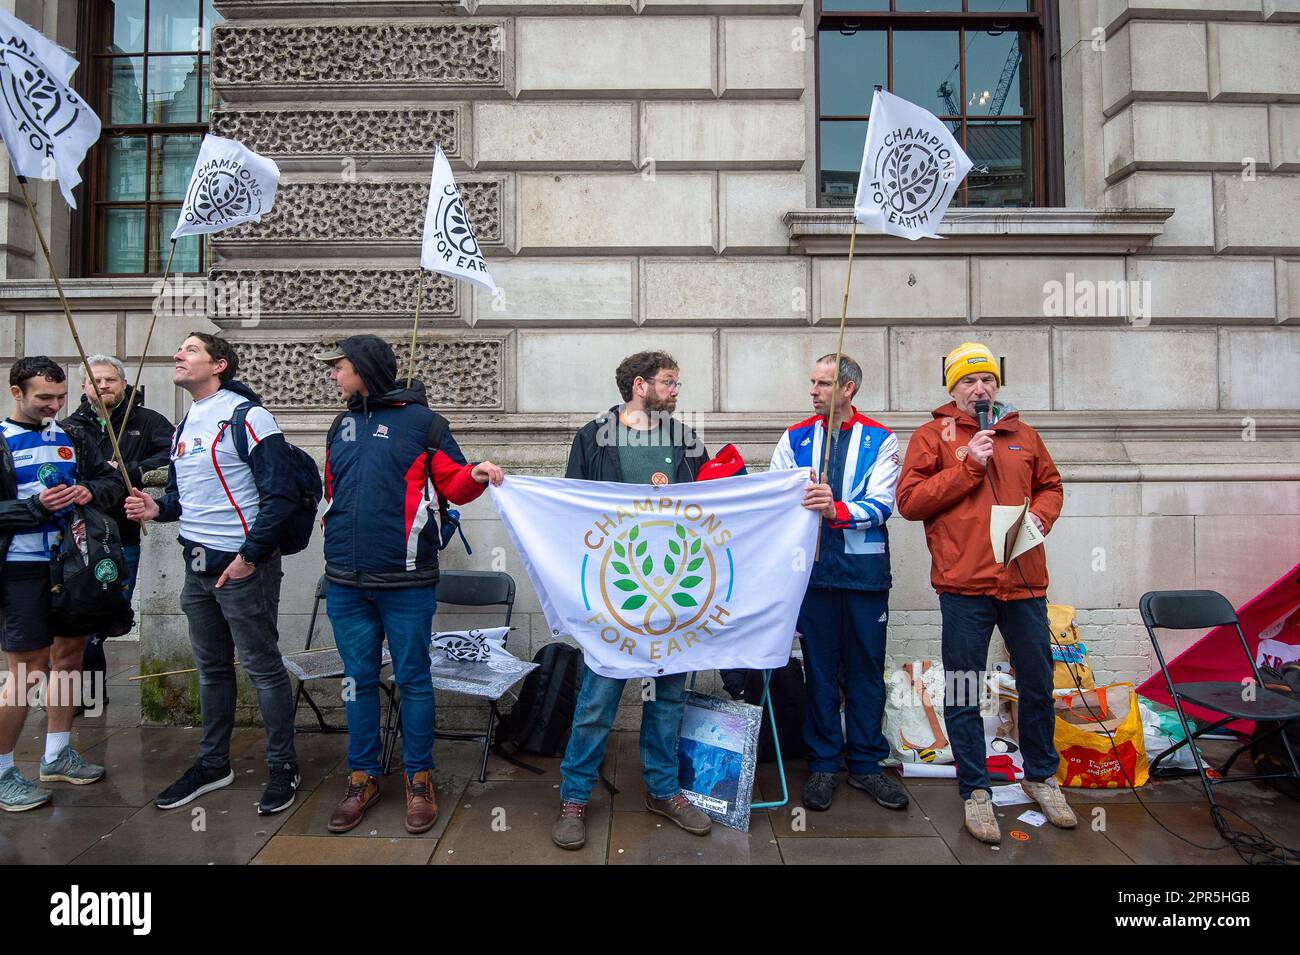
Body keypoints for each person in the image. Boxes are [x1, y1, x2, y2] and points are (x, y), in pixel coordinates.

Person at [316, 336, 504, 835]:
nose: (332, 376)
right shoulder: (341, 423)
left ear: (365, 369)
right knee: (356, 681)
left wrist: (479, 473)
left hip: (406, 582)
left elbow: (456, 484)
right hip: (345, 582)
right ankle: (363, 777)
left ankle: (420, 778)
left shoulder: (425, 424)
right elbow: (333, 490)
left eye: (339, 368)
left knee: (414, 680)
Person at [896, 341, 1074, 844]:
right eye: (970, 381)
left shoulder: (1023, 434)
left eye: (988, 379)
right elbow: (909, 501)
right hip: (964, 585)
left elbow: (1052, 485)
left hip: (1022, 582)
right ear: (952, 388)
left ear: (998, 385)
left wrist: (1040, 514)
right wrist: (968, 465)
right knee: (964, 688)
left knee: (1037, 683)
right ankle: (976, 790)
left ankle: (1042, 777)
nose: (980, 388)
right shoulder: (933, 437)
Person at [124, 333, 301, 816]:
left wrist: (250, 557)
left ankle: (284, 766)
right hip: (196, 566)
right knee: (213, 669)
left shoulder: (248, 416)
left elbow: (280, 495)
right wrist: (155, 508)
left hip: (243, 567)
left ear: (219, 364)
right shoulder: (184, 425)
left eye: (191, 350)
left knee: (264, 669)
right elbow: (184, 501)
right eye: (179, 351)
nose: (178, 356)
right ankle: (213, 764)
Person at [553, 350, 714, 850]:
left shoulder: (685, 439)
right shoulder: (593, 437)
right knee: (597, 699)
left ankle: (663, 790)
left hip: (675, 587)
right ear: (639, 385)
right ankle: (574, 798)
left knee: (667, 699)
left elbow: (718, 495)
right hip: (614, 591)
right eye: (669, 382)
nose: (676, 391)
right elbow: (570, 507)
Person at [769, 353, 907, 813]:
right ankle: (825, 762)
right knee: (820, 671)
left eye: (824, 384)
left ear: (848, 389)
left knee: (866, 670)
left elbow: (883, 504)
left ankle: (867, 764)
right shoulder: (795, 437)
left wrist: (836, 509)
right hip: (812, 576)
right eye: (812, 382)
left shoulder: (882, 439)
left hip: (865, 576)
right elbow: (776, 494)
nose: (813, 391)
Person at [0, 357, 123, 811]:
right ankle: (2, 771)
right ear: (17, 393)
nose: (54, 406)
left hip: (72, 566)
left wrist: (92, 491)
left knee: (70, 655)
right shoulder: (1, 439)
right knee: (26, 671)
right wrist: (33, 508)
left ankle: (56, 754)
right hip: (21, 568)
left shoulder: (73, 435)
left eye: (60, 397)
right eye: (43, 398)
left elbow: (112, 480)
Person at [62, 355, 173, 707]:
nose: (103, 386)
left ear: (123, 383)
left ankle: (88, 693)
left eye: (110, 379)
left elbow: (173, 455)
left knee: (110, 612)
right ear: (84, 387)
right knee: (81, 615)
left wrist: (128, 469)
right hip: (81, 536)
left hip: (122, 534)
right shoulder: (71, 427)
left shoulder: (148, 420)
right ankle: (88, 696)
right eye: (95, 380)